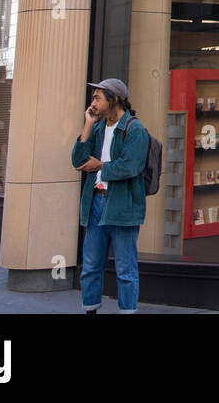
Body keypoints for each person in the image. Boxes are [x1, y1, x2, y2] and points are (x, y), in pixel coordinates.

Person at [72, 78, 148, 313]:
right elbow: (78, 161)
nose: (92, 102)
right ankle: (90, 309)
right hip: (96, 201)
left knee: (126, 269)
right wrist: (87, 124)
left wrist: (101, 166)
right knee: (91, 265)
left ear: (114, 99)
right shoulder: (97, 127)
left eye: (97, 97)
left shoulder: (134, 129)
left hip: (122, 205)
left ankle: (127, 310)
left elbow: (131, 167)